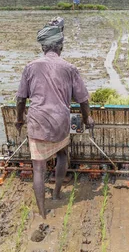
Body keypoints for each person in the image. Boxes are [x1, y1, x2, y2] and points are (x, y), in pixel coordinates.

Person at [15, 17, 94, 220]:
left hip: (38, 121)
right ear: (60, 47)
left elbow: (20, 99)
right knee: (62, 155)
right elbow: (83, 99)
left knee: (38, 168)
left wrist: (18, 120)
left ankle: (42, 211)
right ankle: (57, 193)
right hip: (60, 122)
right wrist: (87, 120)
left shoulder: (30, 67)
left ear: (43, 47)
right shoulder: (69, 68)